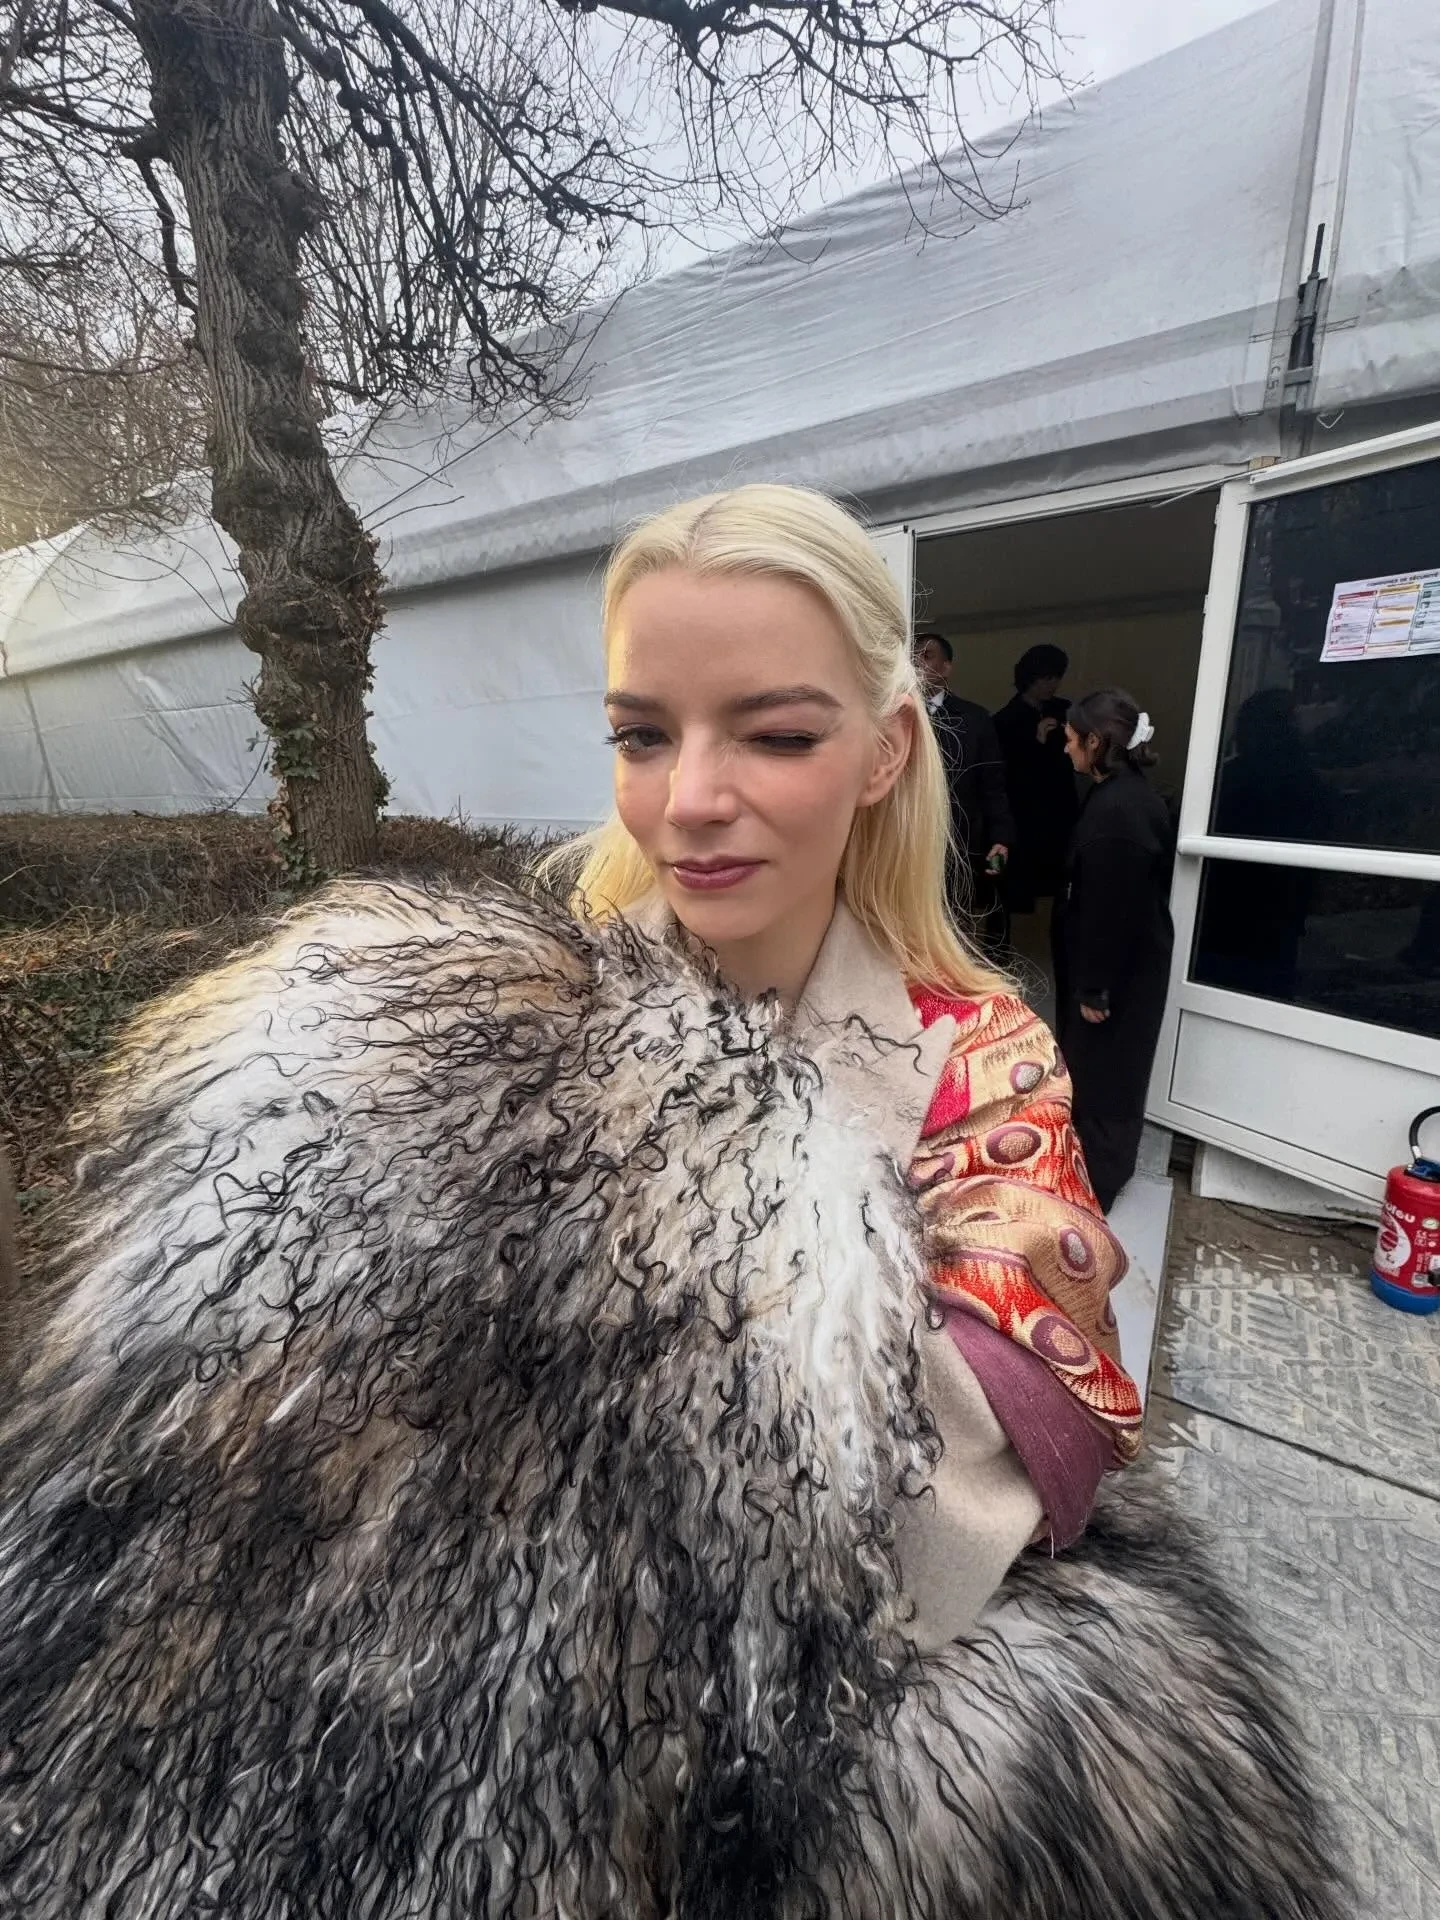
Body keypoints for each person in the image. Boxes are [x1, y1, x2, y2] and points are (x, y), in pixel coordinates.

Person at [577, 489, 1141, 1623]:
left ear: (886, 752)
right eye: (643, 735)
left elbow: (1012, 1431)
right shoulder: (522, 1011)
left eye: (778, 735)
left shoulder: (983, 1059)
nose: (689, 801)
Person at [1052, 688, 1175, 1213]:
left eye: (1071, 739)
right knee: (1099, 1066)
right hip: (1122, 967)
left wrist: (1095, 989)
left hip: (1117, 976)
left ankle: (1096, 1185)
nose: (1065, 748)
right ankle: (1090, 1170)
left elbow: (1112, 909)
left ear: (1096, 742)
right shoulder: (1117, 793)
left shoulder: (1120, 813)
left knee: (1105, 1075)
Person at [912, 630, 1015, 960]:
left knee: (954, 924)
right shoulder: (894, 715)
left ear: (946, 667)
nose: (917, 663)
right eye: (913, 656)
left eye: (927, 656)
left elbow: (992, 782)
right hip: (908, 836)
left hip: (959, 837)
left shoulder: (974, 718)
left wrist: (1000, 836)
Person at [993, 643, 1080, 915]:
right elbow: (1008, 773)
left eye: (1057, 678)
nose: (1052, 685)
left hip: (1061, 809)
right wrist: (1038, 741)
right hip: (1026, 815)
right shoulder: (1006, 720)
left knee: (1061, 885)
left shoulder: (1065, 710)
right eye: (1046, 678)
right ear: (1030, 678)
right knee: (1022, 886)